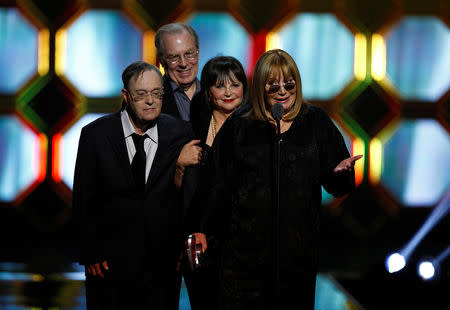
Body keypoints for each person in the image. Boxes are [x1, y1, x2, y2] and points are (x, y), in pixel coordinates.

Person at [191, 49, 363, 309]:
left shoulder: (315, 122)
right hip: (243, 257)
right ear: (261, 86)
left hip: (297, 257)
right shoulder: (240, 124)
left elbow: (338, 186)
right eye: (273, 85)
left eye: (289, 84)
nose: (282, 91)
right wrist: (202, 229)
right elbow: (217, 185)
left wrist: (341, 174)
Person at [72, 60, 199, 309]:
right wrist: (90, 252)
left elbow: (187, 195)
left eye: (156, 93)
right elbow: (84, 197)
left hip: (162, 262)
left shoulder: (180, 132)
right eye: (141, 94)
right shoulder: (95, 134)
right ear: (126, 96)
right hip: (109, 262)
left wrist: (181, 246)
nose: (150, 100)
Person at [183, 55, 249, 310]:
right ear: (208, 92)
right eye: (220, 86)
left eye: (235, 84)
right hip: (200, 234)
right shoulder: (196, 127)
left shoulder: (256, 127)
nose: (228, 92)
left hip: (241, 237)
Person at [155, 22, 200, 121]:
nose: (183, 64)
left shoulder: (216, 93)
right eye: (174, 57)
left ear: (198, 53)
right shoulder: (148, 99)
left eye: (189, 53)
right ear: (161, 61)